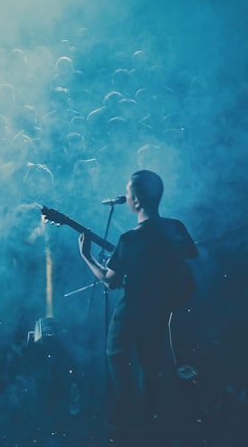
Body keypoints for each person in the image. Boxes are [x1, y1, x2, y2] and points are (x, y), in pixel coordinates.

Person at [78, 169, 197, 432]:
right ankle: (151, 420)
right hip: (160, 310)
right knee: (150, 364)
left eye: (128, 192)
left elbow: (110, 281)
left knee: (116, 358)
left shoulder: (129, 239)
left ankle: (125, 417)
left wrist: (87, 256)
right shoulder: (175, 227)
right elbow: (190, 253)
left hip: (130, 315)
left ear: (136, 201)